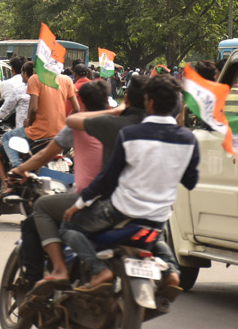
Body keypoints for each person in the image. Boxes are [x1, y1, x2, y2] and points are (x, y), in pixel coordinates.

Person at [39, 75, 200, 294]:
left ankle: (98, 271)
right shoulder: (188, 139)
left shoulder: (130, 134)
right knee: (156, 239)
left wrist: (78, 205)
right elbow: (190, 181)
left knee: (69, 226)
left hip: (121, 211)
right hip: (159, 217)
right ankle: (171, 271)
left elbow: (108, 178)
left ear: (149, 102)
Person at [11, 77, 150, 292]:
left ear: (82, 102)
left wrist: (19, 169)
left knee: (41, 210)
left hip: (95, 197)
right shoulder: (141, 125)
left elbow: (42, 157)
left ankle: (59, 270)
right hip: (136, 202)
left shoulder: (88, 124)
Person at [2, 68, 79, 169]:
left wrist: (29, 122)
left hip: (39, 132)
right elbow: (76, 108)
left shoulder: (35, 79)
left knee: (7, 137)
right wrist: (64, 123)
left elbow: (34, 109)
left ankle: (17, 169)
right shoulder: (67, 80)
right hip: (61, 132)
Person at [0, 61, 34, 187]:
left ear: (25, 73)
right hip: (49, 132)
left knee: (4, 142)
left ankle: (13, 174)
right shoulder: (49, 90)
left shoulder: (20, 89)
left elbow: (3, 111)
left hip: (26, 131)